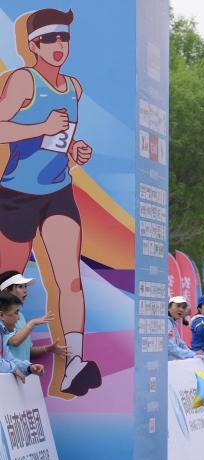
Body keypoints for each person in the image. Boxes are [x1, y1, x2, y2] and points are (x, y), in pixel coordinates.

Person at [0, 8, 101, 397]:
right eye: (48, 39)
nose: (58, 45)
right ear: (33, 45)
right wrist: (41, 126)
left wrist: (75, 150)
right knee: (7, 282)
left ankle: (74, 364)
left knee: (70, 279)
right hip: (17, 194)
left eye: (63, 38)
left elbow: (59, 142)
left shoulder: (74, 88)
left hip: (58, 190)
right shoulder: (23, 81)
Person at [0, 271, 67, 362]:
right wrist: (32, 323)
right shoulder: (2, 316)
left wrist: (48, 349)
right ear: (6, 290)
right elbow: (14, 341)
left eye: (25, 286)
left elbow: (26, 350)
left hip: (23, 370)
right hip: (8, 371)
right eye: (20, 286)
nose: (25, 290)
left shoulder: (21, 316)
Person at [1, 292, 45, 382]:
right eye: (16, 312)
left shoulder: (2, 334)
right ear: (1, 315)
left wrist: (29, 367)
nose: (18, 318)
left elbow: (9, 359)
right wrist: (13, 369)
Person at [167, 296, 197, 361]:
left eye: (183, 307)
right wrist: (193, 354)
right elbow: (170, 347)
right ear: (169, 307)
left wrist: (194, 354)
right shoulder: (166, 322)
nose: (181, 309)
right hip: (164, 365)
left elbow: (181, 343)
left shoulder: (173, 323)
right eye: (178, 306)